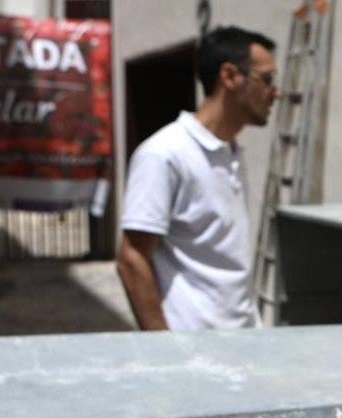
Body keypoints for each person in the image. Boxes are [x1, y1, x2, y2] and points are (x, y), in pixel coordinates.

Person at [117, 26, 279, 331]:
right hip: (194, 348)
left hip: (244, 339)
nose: (276, 92)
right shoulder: (164, 154)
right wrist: (166, 349)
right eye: (267, 80)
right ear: (230, 76)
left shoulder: (230, 151)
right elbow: (131, 259)